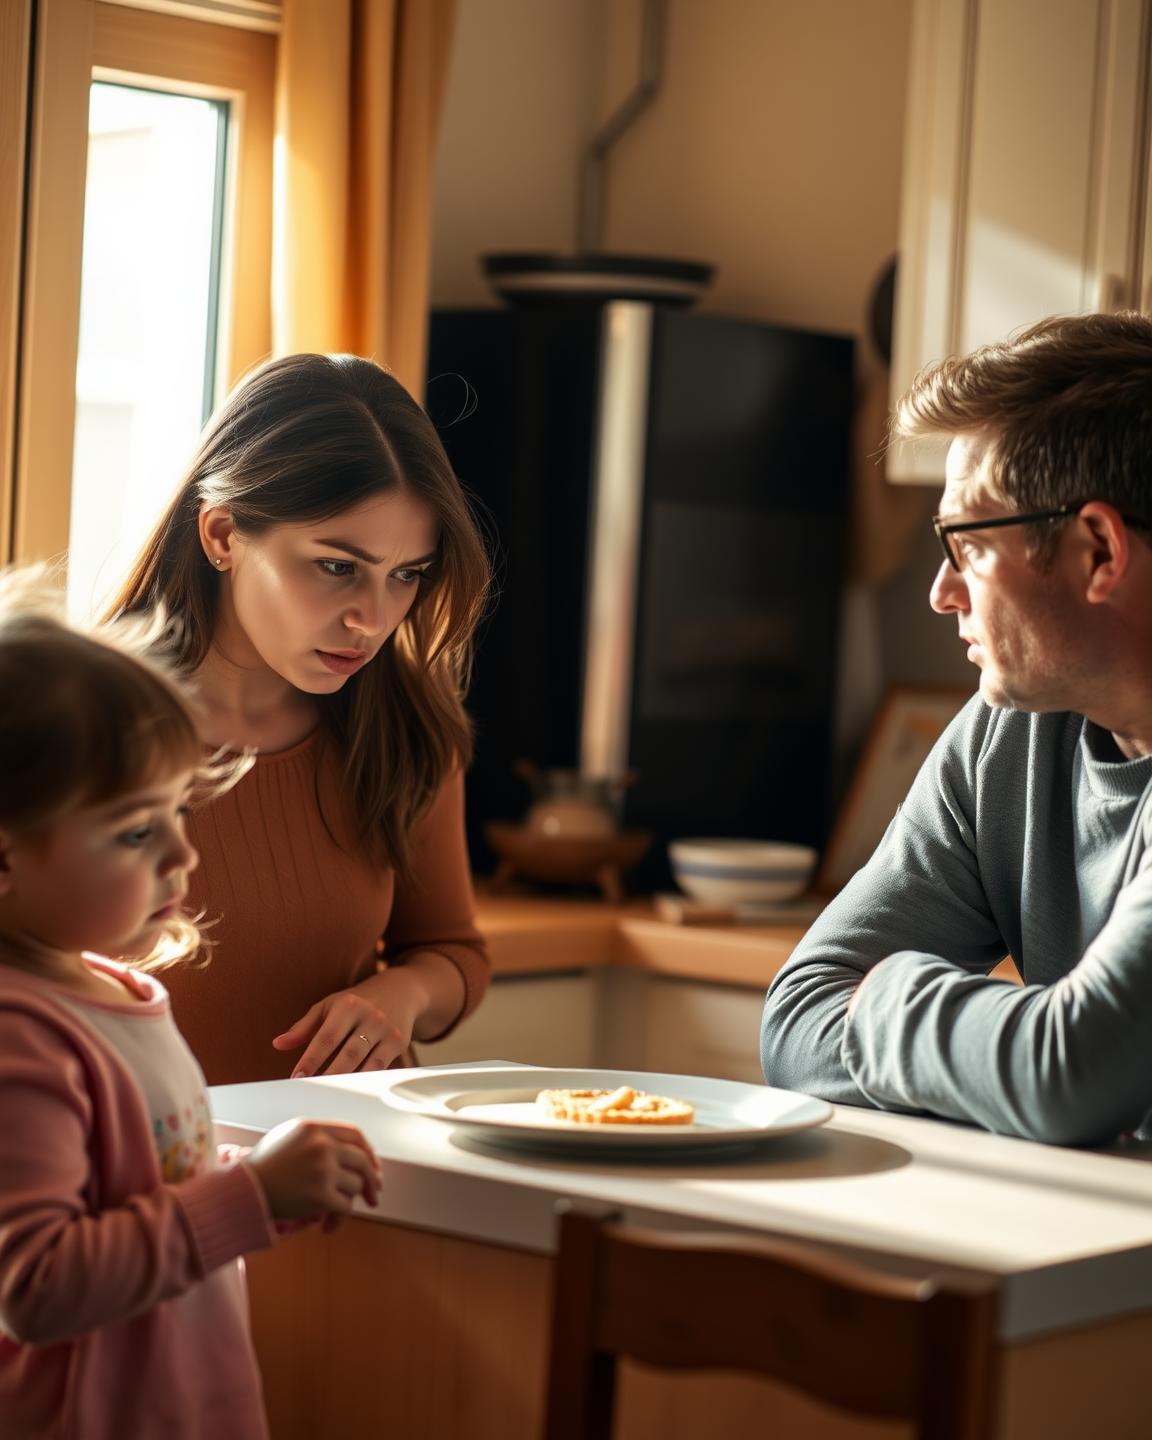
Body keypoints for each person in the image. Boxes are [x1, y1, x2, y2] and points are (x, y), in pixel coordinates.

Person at [0, 573, 382, 1440]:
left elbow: (140, 1188)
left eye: (179, 810)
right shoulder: (20, 1036)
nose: (184, 851)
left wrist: (254, 1179)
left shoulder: (118, 995)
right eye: (137, 830)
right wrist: (245, 1197)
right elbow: (37, 1285)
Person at [760, 310, 1152, 1147]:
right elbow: (795, 1020)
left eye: (966, 544)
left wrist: (889, 995)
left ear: (1098, 553)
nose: (943, 591)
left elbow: (1076, 1073)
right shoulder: (1007, 734)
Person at [106, 353, 492, 1084]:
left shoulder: (407, 731)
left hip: (356, 1177)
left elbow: (453, 952)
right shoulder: (70, 728)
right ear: (221, 536)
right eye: (337, 566)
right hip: (136, 1187)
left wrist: (401, 995)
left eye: (405, 575)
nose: (372, 619)